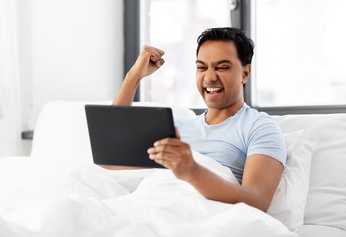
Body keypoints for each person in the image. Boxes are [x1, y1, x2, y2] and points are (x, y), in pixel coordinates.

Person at [112, 27, 287, 212]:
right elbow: (113, 157)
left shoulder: (259, 127)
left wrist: (191, 171)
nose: (210, 77)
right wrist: (133, 76)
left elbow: (258, 202)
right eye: (202, 67)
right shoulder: (174, 128)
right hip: (152, 207)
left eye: (222, 67)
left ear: (245, 73)